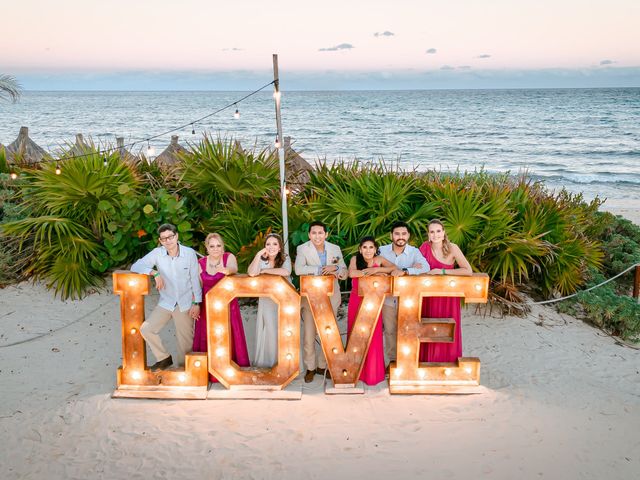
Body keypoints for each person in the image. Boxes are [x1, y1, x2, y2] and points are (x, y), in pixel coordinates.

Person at [130, 223, 201, 370]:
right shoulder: (157, 253)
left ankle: (184, 370)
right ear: (160, 241)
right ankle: (164, 357)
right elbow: (135, 266)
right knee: (146, 329)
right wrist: (154, 273)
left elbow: (195, 280)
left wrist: (196, 303)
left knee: (185, 343)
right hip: (166, 303)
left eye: (170, 237)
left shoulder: (189, 253)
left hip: (185, 303)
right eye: (164, 239)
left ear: (177, 236)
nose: (168, 241)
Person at [294, 221, 348, 383]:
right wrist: (321, 269)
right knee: (309, 334)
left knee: (328, 332)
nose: (317, 236)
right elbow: (298, 269)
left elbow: (344, 271)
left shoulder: (335, 249)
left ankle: (322, 365)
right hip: (310, 297)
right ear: (309, 235)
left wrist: (336, 269)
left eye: (320, 233)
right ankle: (310, 368)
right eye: (314, 233)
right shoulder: (303, 249)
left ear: (326, 234)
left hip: (332, 296)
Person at [192, 233, 250, 382]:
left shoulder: (228, 257)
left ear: (223, 246)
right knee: (207, 335)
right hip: (206, 305)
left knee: (229, 334)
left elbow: (233, 268)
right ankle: (210, 371)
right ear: (207, 247)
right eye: (212, 246)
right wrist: (195, 304)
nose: (215, 249)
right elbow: (197, 287)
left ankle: (229, 369)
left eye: (218, 245)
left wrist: (225, 270)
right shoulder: (201, 263)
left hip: (227, 304)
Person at [419, 219, 473, 362]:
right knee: (429, 327)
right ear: (428, 235)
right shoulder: (424, 247)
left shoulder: (452, 248)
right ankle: (428, 361)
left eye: (438, 231)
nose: (435, 235)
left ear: (443, 233)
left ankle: (447, 362)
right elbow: (416, 267)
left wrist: (441, 271)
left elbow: (468, 270)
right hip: (428, 295)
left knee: (448, 328)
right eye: (432, 232)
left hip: (448, 295)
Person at [379, 221, 430, 368]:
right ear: (391, 235)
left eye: (403, 234)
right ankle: (393, 361)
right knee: (389, 331)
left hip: (408, 299)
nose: (400, 237)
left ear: (408, 235)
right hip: (388, 299)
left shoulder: (414, 252)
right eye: (397, 234)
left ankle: (406, 361)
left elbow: (425, 267)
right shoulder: (382, 251)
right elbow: (371, 264)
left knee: (407, 329)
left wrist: (406, 270)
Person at [347, 236, 395, 385]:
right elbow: (352, 274)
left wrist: (379, 269)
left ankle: (372, 372)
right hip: (356, 301)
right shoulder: (355, 259)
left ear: (375, 249)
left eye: (371, 247)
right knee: (356, 335)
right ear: (360, 249)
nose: (368, 250)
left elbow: (393, 268)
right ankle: (356, 371)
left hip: (373, 302)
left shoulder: (379, 259)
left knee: (373, 336)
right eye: (365, 247)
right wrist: (372, 272)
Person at [248, 233, 292, 368]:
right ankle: (270, 361)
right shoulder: (262, 259)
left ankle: (286, 361)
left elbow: (286, 271)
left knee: (285, 328)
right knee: (269, 328)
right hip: (267, 298)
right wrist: (258, 256)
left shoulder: (285, 258)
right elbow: (251, 273)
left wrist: (265, 270)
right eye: (268, 244)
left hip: (284, 298)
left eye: (274, 244)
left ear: (279, 247)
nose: (271, 247)